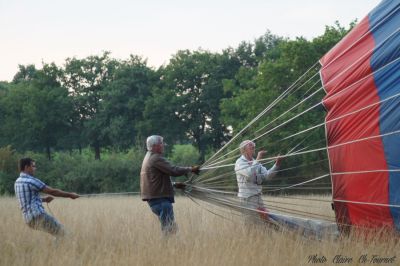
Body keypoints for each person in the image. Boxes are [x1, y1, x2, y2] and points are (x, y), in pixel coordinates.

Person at [140, 135, 200, 235]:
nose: (163, 145)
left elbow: (153, 180)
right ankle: (167, 249)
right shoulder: (155, 158)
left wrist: (174, 184)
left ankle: (168, 248)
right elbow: (173, 170)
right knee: (169, 230)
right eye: (161, 143)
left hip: (155, 201)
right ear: (155, 146)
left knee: (170, 228)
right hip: (161, 201)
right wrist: (191, 169)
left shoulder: (148, 157)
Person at [14, 158, 80, 237]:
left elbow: (26, 200)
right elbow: (52, 192)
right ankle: (60, 249)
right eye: (33, 166)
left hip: (28, 220)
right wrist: (70, 195)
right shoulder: (31, 181)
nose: (35, 168)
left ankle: (55, 249)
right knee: (65, 234)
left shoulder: (17, 182)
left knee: (58, 234)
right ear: (26, 167)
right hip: (38, 216)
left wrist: (44, 199)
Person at [234, 140, 281, 226]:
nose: (253, 146)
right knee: (251, 224)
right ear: (244, 150)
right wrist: (258, 159)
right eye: (250, 145)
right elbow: (249, 173)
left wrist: (277, 164)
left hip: (258, 197)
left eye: (253, 145)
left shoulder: (256, 162)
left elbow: (267, 175)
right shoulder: (239, 162)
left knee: (266, 222)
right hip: (247, 198)